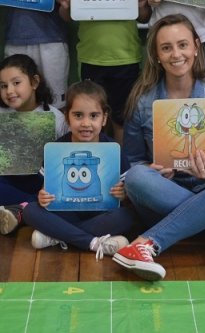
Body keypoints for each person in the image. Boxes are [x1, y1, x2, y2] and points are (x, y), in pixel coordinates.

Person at [113, 14, 205, 281]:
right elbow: (133, 162)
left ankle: (148, 243)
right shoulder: (142, 100)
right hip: (162, 196)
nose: (176, 54)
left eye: (182, 45)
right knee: (136, 177)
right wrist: (153, 170)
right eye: (166, 48)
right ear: (157, 55)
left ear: (196, 47)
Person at [22, 80, 140, 257]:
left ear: (104, 118)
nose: (86, 123)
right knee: (30, 210)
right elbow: (45, 190)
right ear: (67, 117)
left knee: (128, 215)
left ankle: (57, 236)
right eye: (78, 115)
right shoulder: (56, 149)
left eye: (93, 116)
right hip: (65, 214)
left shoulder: (114, 150)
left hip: (100, 215)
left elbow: (125, 197)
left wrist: (123, 195)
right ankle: (93, 243)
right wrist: (43, 196)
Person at [58, 0, 148, 141]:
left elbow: (144, 16)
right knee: (93, 116)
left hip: (126, 59)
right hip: (91, 59)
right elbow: (67, 16)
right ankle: (99, 157)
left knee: (121, 118)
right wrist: (65, 4)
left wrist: (141, 2)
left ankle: (120, 161)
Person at [0, 54, 67, 235]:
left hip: (39, 182)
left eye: (16, 83)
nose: (9, 91)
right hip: (3, 181)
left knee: (57, 192)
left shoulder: (55, 117)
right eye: (3, 86)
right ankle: (26, 209)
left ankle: (18, 210)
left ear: (34, 82)